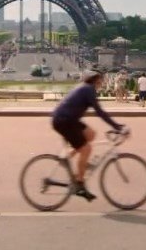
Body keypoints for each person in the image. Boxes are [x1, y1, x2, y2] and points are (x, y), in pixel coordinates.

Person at [51, 69, 126, 201]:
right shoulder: (89, 90)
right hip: (64, 121)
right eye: (101, 80)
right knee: (87, 149)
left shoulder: (86, 88)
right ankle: (80, 185)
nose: (102, 82)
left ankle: (69, 156)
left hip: (67, 119)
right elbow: (100, 112)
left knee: (91, 134)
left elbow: (99, 111)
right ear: (96, 80)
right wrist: (117, 127)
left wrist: (116, 126)